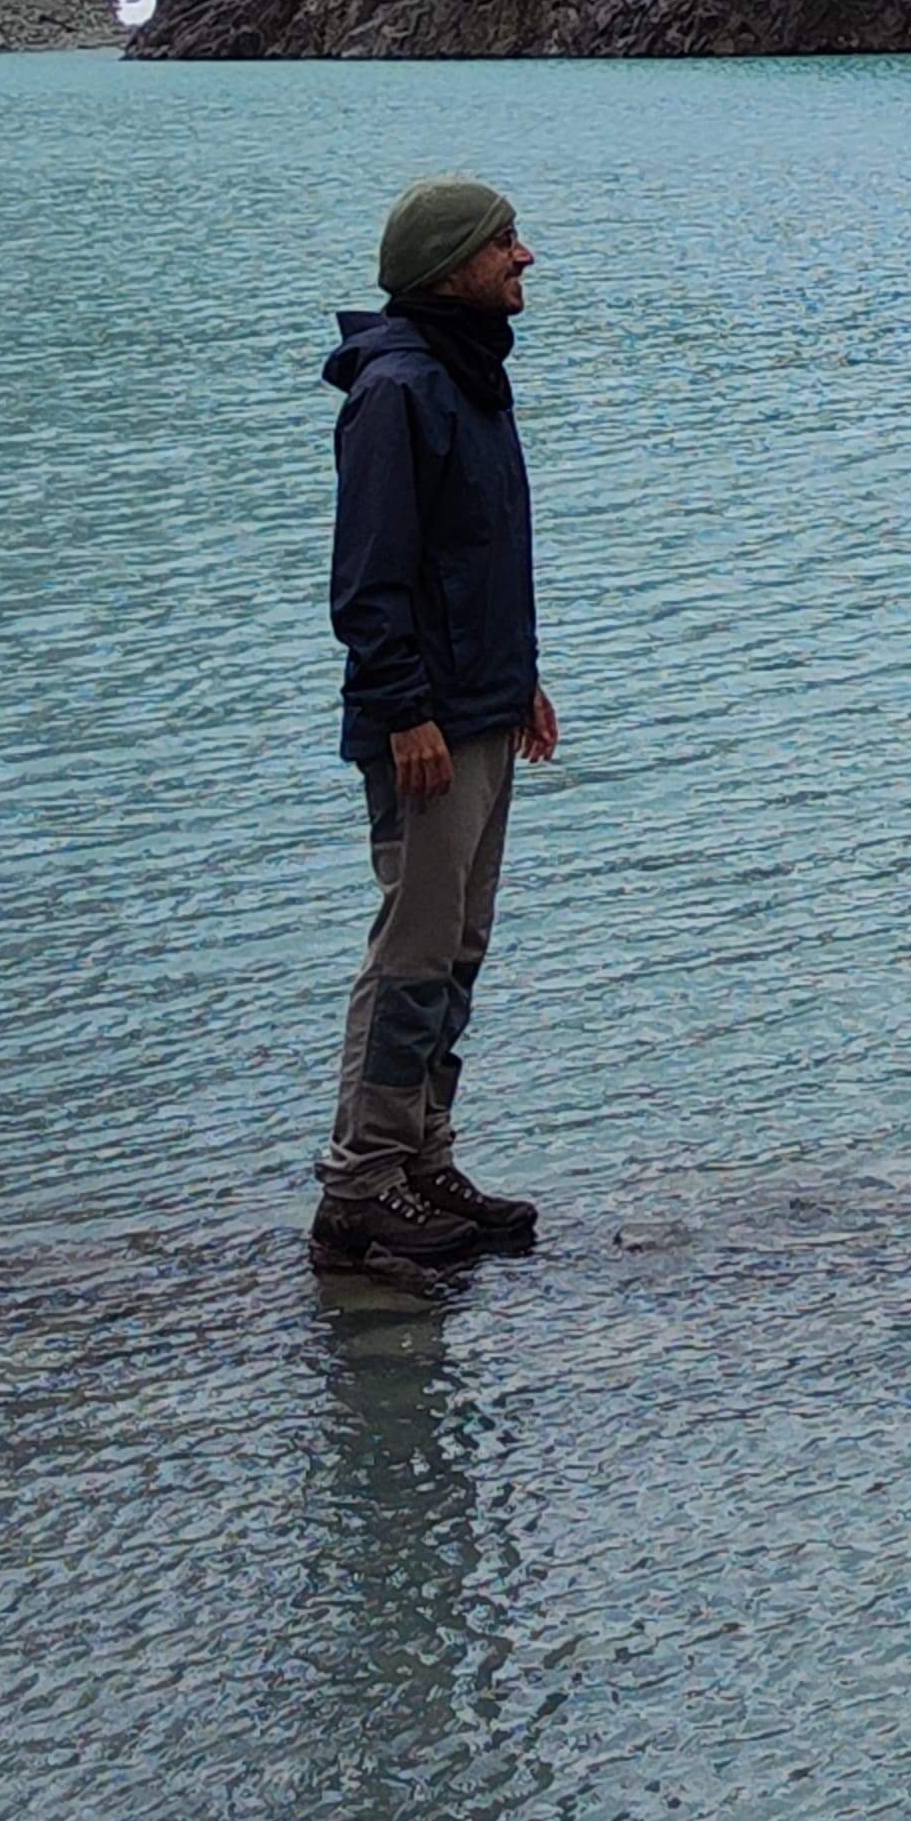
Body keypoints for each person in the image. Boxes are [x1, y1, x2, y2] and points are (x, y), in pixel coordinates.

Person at [315, 174, 561, 1281]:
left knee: (457, 945)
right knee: (411, 953)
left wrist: (520, 683)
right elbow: (369, 581)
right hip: (424, 723)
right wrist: (402, 709)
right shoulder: (398, 390)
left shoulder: (467, 377)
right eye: (502, 242)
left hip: (479, 707)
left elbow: (478, 557)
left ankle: (423, 1157)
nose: (524, 258)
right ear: (451, 261)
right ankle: (360, 1191)